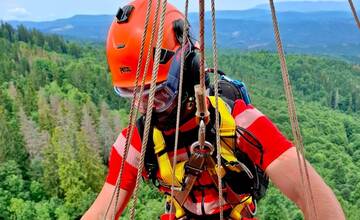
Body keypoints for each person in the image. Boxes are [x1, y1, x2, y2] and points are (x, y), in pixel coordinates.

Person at [82, 0, 345, 219]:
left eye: (159, 93)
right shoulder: (136, 142)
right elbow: (103, 210)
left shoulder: (239, 122)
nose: (146, 106)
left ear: (191, 68)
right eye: (133, 96)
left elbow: (312, 195)